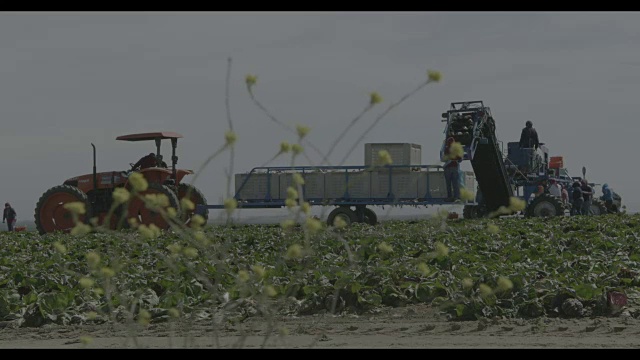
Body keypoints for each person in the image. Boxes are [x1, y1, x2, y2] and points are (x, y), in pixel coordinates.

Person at [442, 137, 462, 202]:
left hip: (447, 168)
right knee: (455, 183)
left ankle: (449, 197)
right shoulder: (456, 149)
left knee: (448, 184)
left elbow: (445, 158)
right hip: (455, 168)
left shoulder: (446, 149)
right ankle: (456, 197)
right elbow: (460, 159)